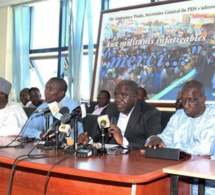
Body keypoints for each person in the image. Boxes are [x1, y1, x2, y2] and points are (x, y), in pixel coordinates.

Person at [145, 80, 215, 195]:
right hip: (179, 178)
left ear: (203, 99)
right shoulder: (179, 115)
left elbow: (205, 148)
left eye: (191, 100)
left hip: (206, 183)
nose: (186, 105)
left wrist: (170, 147)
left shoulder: (212, 117)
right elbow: (165, 137)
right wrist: (156, 138)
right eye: (183, 100)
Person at [78, 79, 162, 150]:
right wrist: (89, 141)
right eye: (116, 95)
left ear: (135, 98)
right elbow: (103, 137)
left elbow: (152, 144)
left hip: (135, 162)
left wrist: (123, 141)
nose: (118, 99)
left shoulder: (150, 113)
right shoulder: (111, 109)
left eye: (123, 95)